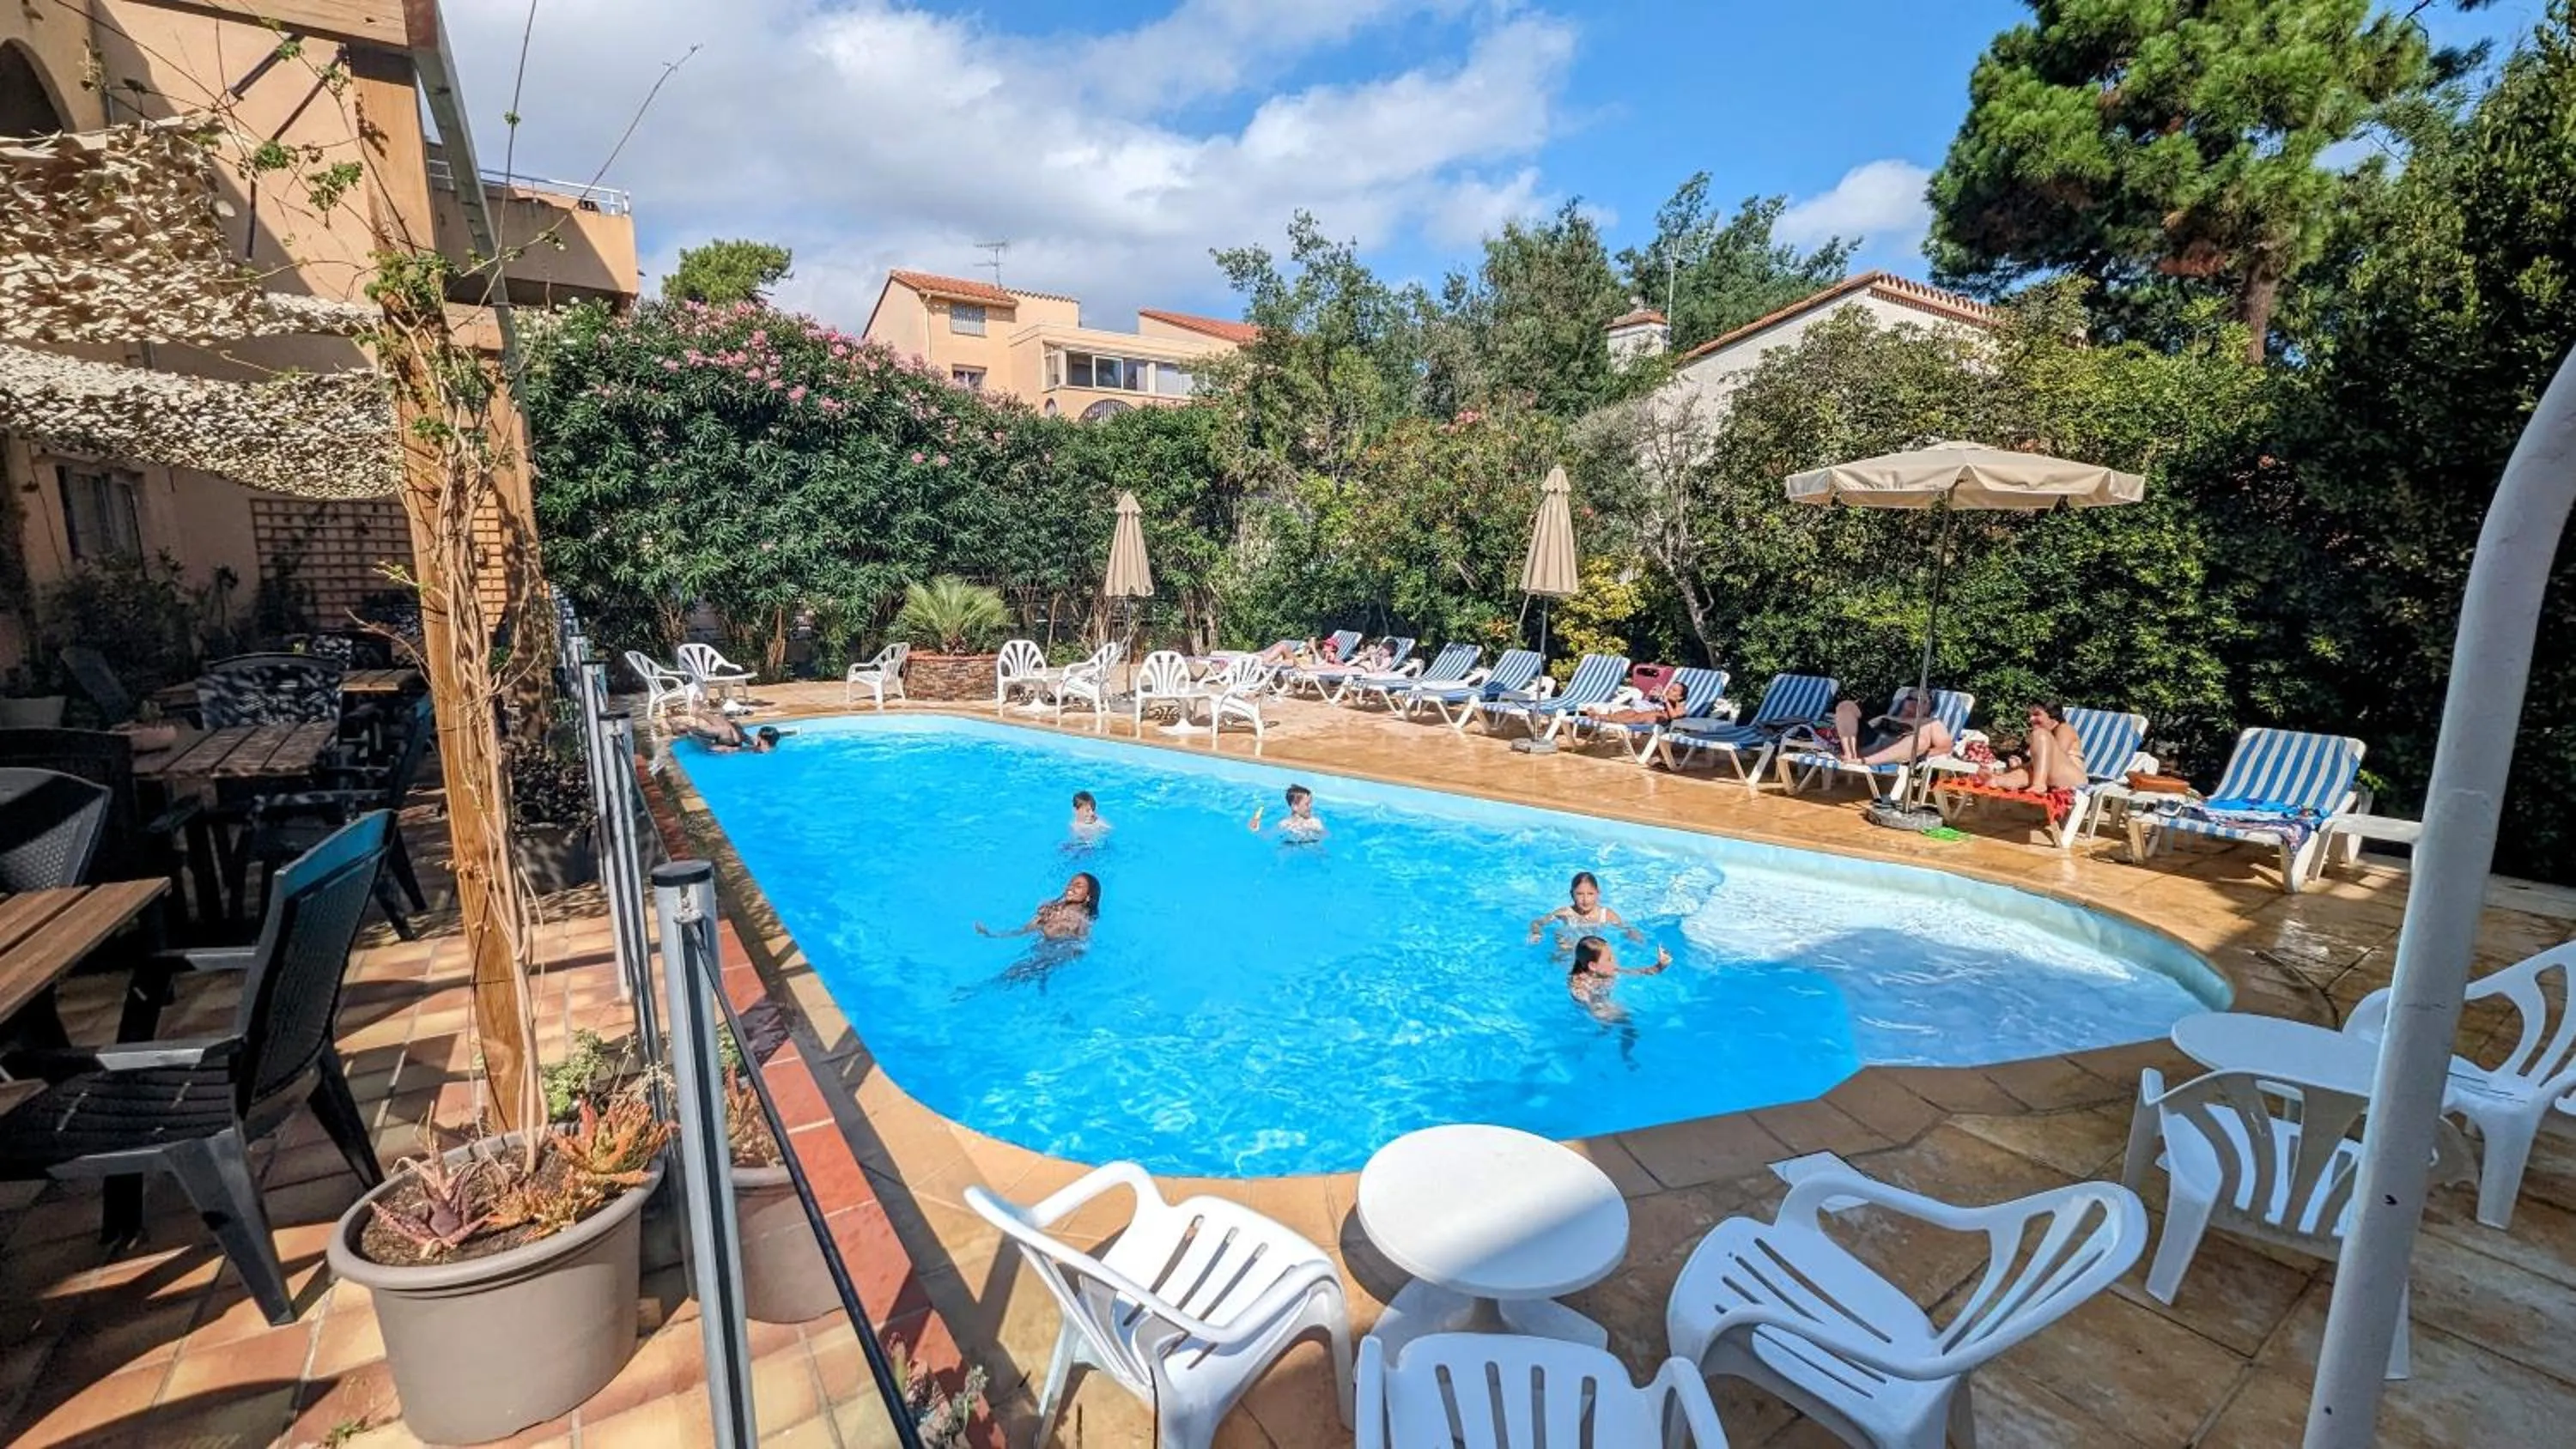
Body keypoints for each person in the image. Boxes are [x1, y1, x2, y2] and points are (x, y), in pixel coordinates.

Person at [1821, 690, 1952, 767]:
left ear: (1930, 708)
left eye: (1922, 701)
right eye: (1911, 698)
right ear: (1904, 702)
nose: (1915, 702)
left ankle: (1862, 762)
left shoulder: (1931, 723)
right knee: (1845, 705)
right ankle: (1850, 755)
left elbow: (1946, 747)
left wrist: (1919, 755)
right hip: (1869, 740)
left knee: (1920, 740)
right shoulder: (1886, 715)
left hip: (1897, 749)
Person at [1985, 702, 2090, 792]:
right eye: (2030, 715)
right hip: (2051, 779)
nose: (2031, 719)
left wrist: (2022, 767)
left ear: (2053, 716)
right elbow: (2040, 766)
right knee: (2024, 772)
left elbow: (2054, 759)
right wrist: (2012, 769)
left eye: (2036, 714)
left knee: (2040, 735)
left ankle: (2038, 785)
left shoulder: (2065, 728)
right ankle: (1997, 780)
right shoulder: (2042, 737)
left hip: (2074, 780)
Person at [976, 873, 1101, 943]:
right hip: (1045, 947)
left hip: (1062, 952)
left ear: (1088, 896)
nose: (1070, 887)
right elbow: (1026, 929)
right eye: (1070, 883)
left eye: (1078, 886)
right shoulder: (1054, 908)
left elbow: (1078, 941)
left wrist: (1048, 926)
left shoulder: (1082, 916)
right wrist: (994, 934)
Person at [1528, 871, 1645, 943]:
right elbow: (1537, 922)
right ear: (1572, 894)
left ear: (1598, 893)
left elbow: (1626, 927)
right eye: (1580, 894)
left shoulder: (1606, 915)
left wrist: (1633, 934)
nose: (1585, 900)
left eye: (1590, 894)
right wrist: (1536, 933)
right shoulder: (1566, 913)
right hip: (1566, 950)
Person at [1580, 679, 1690, 728]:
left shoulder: (1681, 706)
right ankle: (1599, 717)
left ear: (1680, 697)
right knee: (1629, 711)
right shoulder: (1663, 700)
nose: (1669, 690)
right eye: (1670, 688)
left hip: (1659, 720)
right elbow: (1646, 703)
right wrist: (1651, 696)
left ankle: (1601, 718)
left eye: (1674, 690)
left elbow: (1675, 716)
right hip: (1647, 714)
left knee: (1643, 715)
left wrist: (1666, 701)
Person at [684, 702, 780, 754]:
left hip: (722, 749)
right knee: (733, 729)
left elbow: (729, 750)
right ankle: (700, 713)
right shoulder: (773, 749)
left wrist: (711, 748)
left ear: (762, 739)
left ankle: (698, 714)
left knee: (727, 729)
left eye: (758, 736)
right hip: (733, 743)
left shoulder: (757, 750)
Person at [1248, 784, 1326, 840]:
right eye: (1307, 804)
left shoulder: (1314, 822)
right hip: (1289, 847)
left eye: (1310, 803)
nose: (1310, 806)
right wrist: (1255, 829)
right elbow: (1267, 836)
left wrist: (1314, 831)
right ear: (1295, 806)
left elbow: (1324, 835)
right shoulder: (1284, 824)